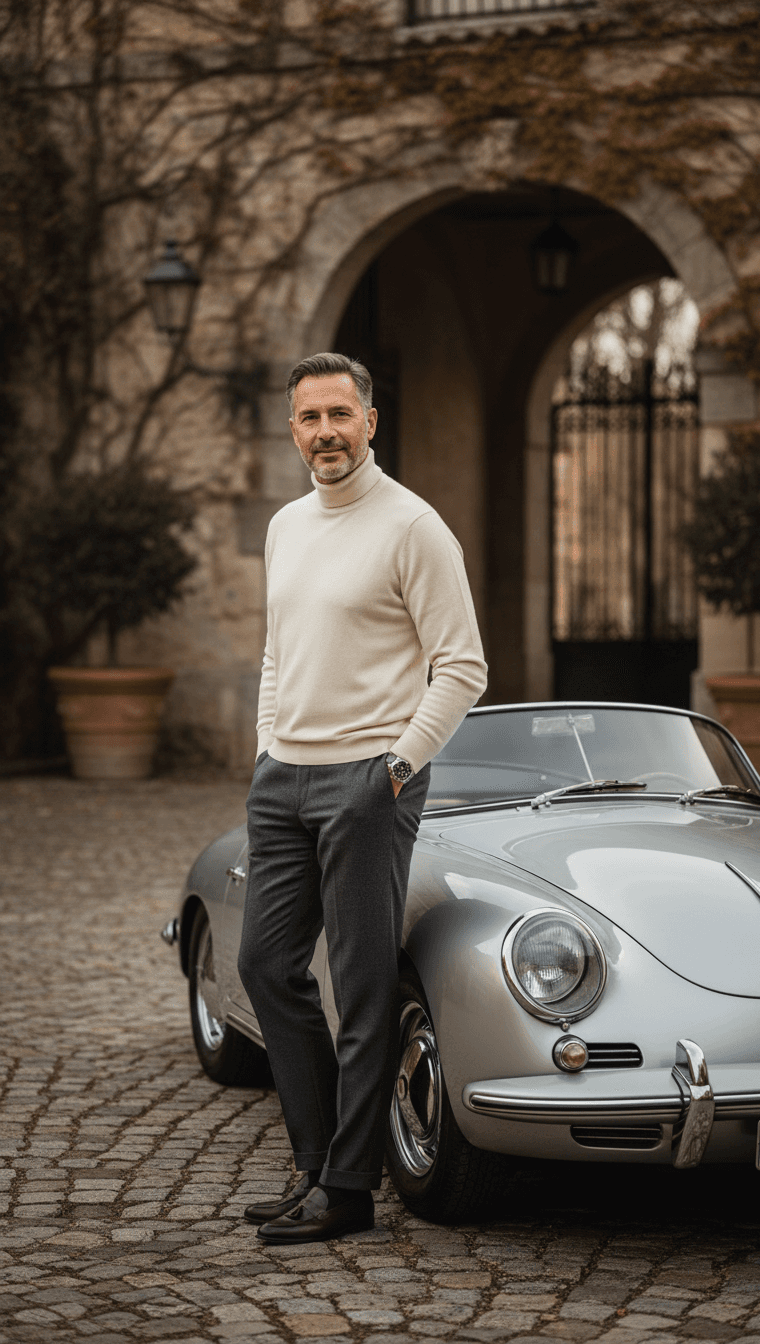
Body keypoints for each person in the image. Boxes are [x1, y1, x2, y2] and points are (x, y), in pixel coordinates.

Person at [238, 352, 486, 1244]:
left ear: (370, 423)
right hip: (283, 778)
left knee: (363, 984)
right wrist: (267, 748)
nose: (326, 433)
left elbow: (463, 666)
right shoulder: (285, 526)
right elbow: (278, 652)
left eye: (341, 415)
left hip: (367, 781)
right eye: (310, 418)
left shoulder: (413, 527)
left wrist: (396, 765)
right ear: (293, 427)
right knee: (265, 965)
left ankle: (348, 1189)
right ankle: (315, 1169)